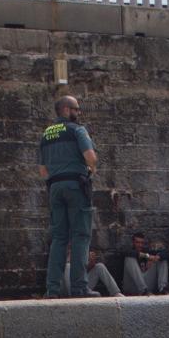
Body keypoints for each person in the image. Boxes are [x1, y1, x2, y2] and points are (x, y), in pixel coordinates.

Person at [38, 94, 98, 297]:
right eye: (76, 109)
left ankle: (52, 290)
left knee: (58, 238)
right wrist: (91, 169)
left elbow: (42, 171)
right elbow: (90, 157)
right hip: (76, 186)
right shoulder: (77, 130)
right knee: (80, 235)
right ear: (65, 110)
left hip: (54, 187)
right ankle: (80, 288)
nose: (78, 113)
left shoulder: (46, 134)